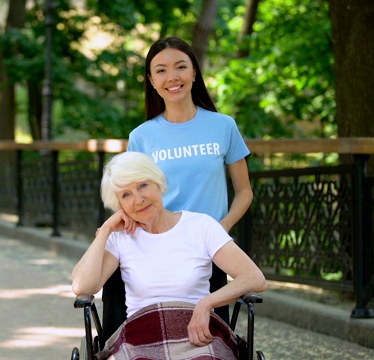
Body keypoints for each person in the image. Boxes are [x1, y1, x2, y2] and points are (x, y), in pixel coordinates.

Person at [71, 152, 267, 359]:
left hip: (198, 335)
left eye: (143, 185)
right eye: (126, 195)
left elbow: (255, 278)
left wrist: (206, 304)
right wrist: (105, 231)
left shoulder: (201, 226)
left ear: (158, 183)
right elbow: (83, 287)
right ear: (119, 205)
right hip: (140, 338)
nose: (138, 199)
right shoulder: (120, 238)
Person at [127, 36, 254, 322]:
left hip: (210, 251)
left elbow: (244, 192)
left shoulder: (223, 126)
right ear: (151, 80)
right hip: (156, 247)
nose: (172, 77)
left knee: (211, 333)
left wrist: (222, 227)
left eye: (180, 67)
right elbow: (131, 198)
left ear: (194, 72)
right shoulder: (141, 137)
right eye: (161, 70)